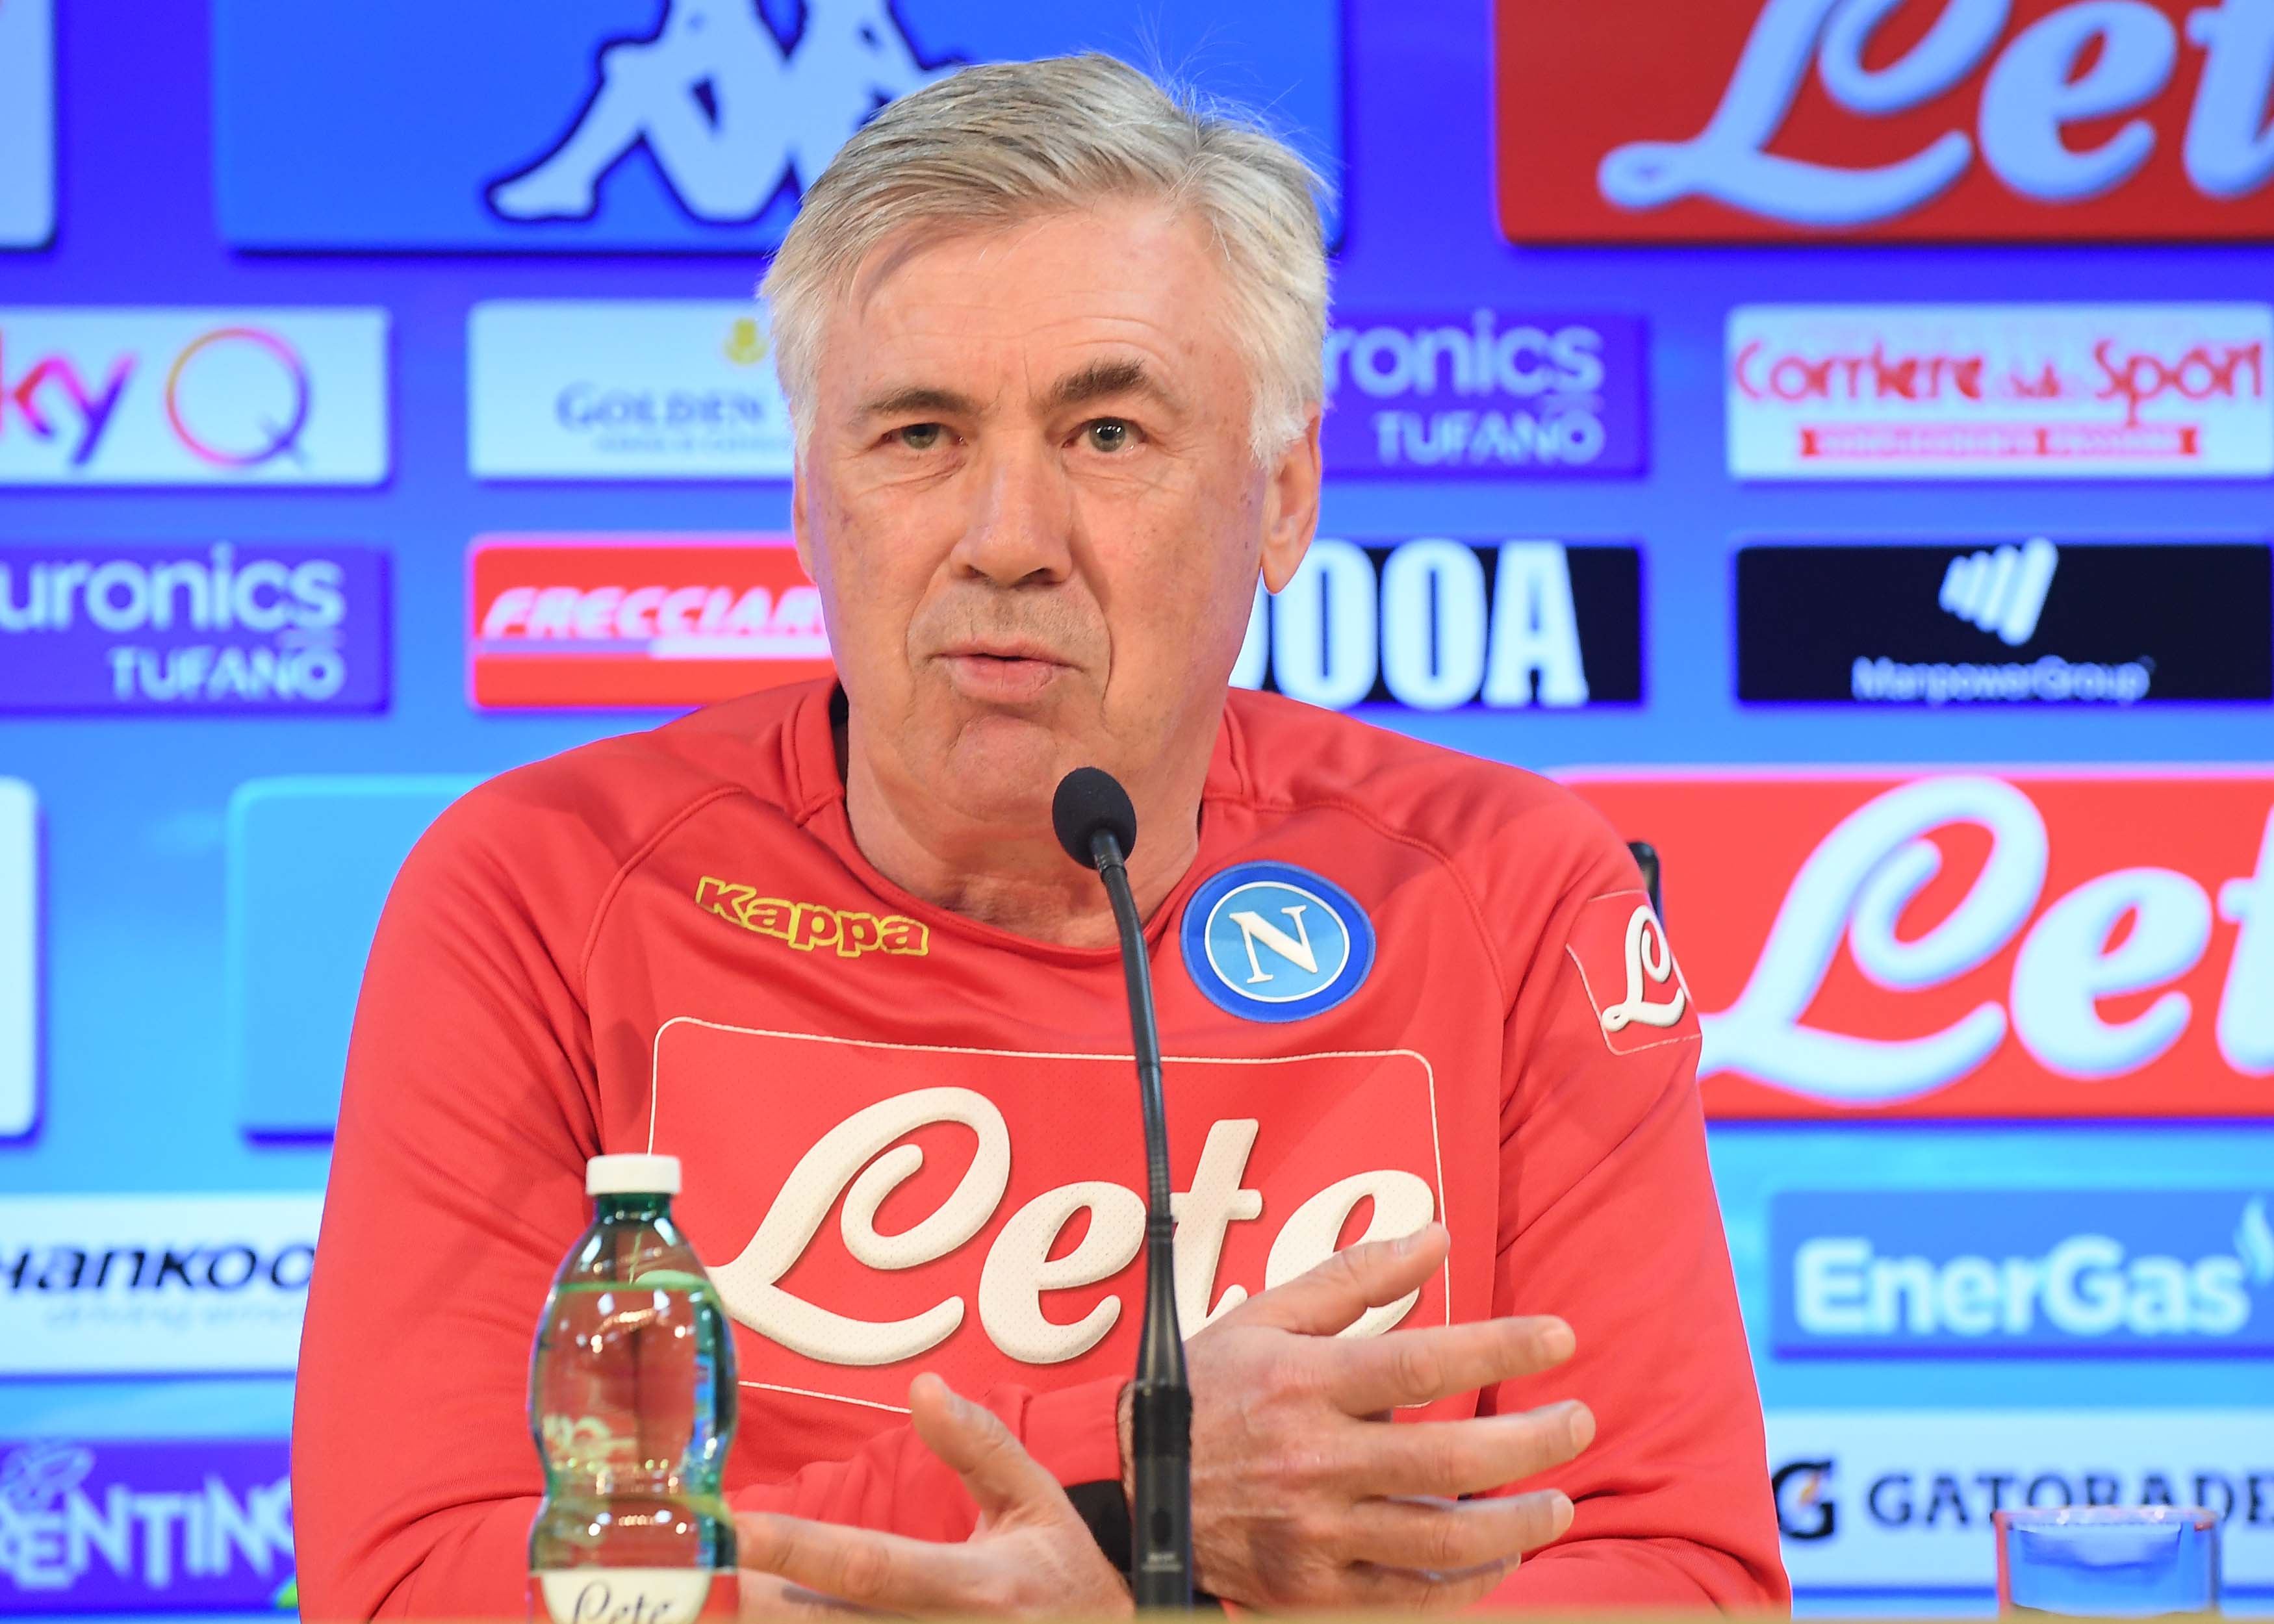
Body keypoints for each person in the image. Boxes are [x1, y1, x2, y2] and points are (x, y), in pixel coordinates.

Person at [297, 54, 1788, 1618]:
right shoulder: (540, 885)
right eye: (920, 434)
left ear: (1281, 499)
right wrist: (1130, 1477)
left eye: (1108, 434)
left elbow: (1683, 1574)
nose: (1007, 539)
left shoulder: (1502, 890)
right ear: (809, 500)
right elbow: (413, 1581)